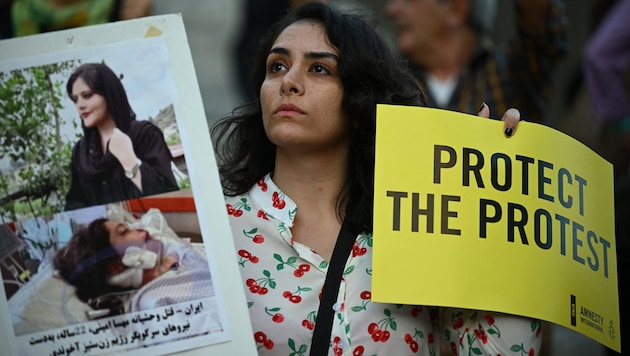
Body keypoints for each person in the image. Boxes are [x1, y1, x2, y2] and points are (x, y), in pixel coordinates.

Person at [212, 3, 533, 355]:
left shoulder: (419, 231)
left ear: (360, 98)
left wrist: (498, 205)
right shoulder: (214, 232)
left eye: (319, 68)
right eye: (277, 66)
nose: (288, 81)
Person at [385, 0, 567, 123]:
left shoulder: (512, 73)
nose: (392, 10)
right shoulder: (387, 80)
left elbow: (542, 30)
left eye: (408, 0)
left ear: (456, 9)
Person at [64, 63, 179, 211]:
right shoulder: (81, 152)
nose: (80, 105)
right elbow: (75, 205)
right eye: (75, 99)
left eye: (87, 95)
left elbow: (169, 195)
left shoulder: (144, 135)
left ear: (109, 94)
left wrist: (130, 160)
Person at [53, 214, 209, 313]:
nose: (142, 230)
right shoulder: (156, 306)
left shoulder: (174, 256)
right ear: (116, 266)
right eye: (125, 231)